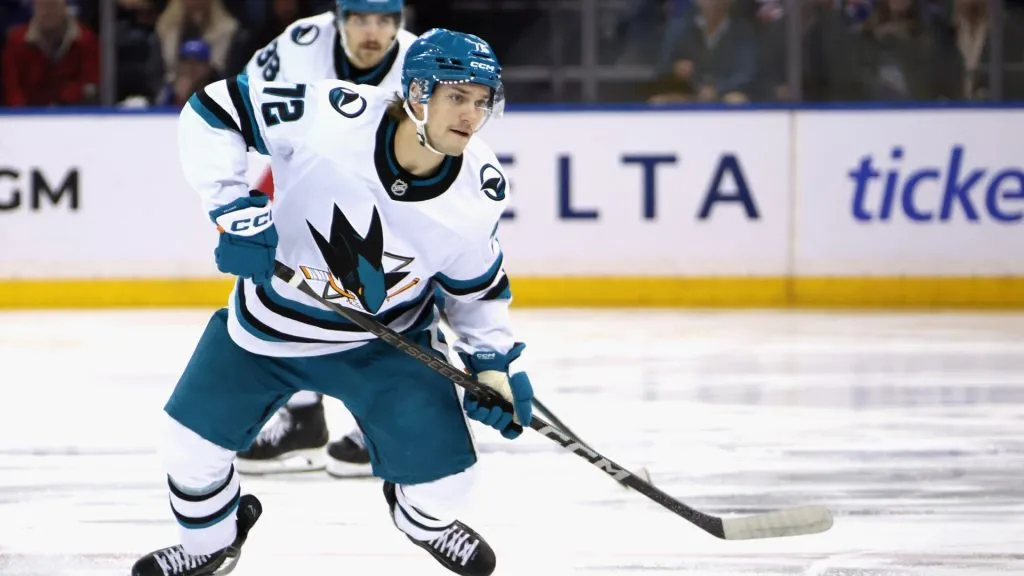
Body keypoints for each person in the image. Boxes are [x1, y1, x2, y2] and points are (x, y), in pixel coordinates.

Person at [130, 28, 532, 576]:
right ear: (417, 93)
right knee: (186, 448)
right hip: (268, 331)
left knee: (453, 487)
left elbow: (475, 284)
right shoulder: (334, 116)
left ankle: (419, 519)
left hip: (387, 346)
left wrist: (493, 362)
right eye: (457, 96)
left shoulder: (479, 190)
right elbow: (214, 109)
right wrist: (233, 209)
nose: (471, 115)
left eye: (482, 102)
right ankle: (211, 543)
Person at [234, 0, 421, 478]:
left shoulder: (420, 63)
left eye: (384, 21)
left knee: (399, 296)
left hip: (389, 193)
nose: (372, 32)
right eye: (360, 20)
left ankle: (392, 421)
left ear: (399, 23)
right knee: (282, 291)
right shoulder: (299, 45)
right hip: (306, 181)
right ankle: (302, 420)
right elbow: (242, 107)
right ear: (339, 21)